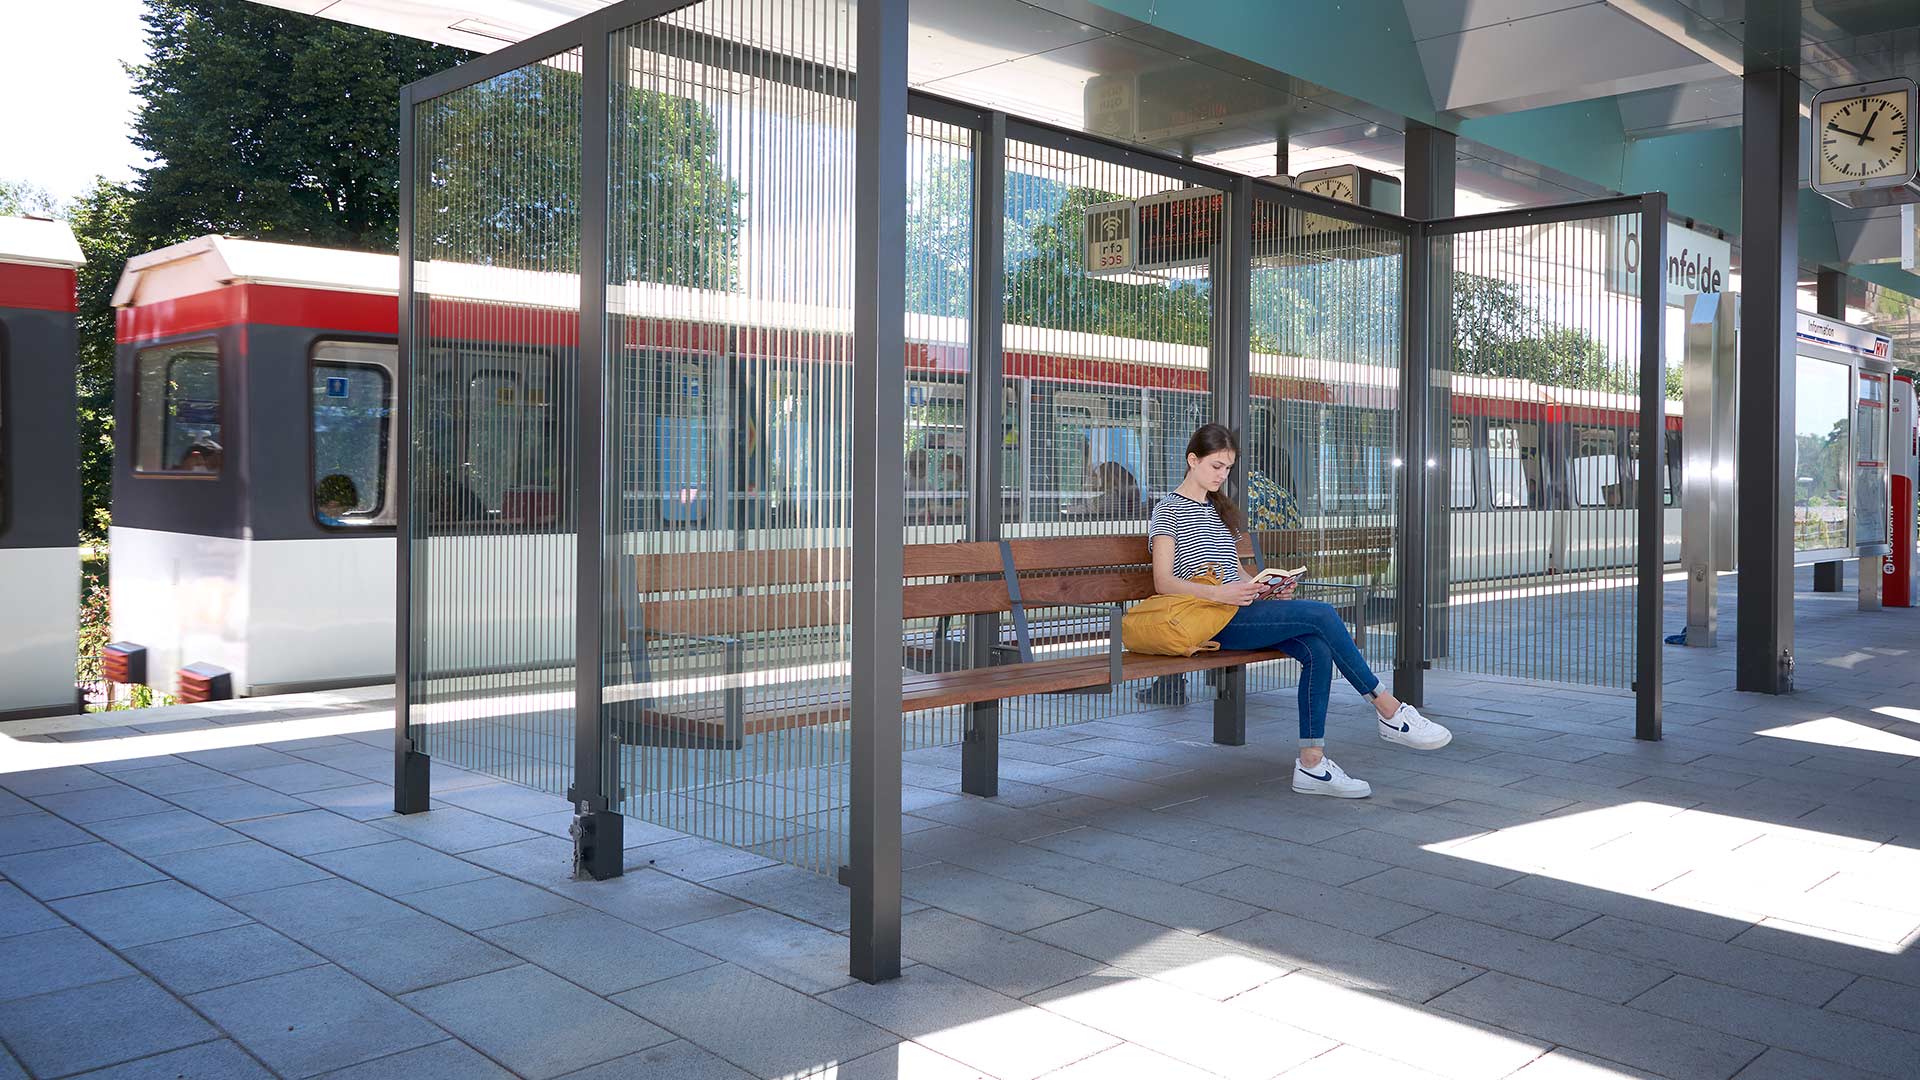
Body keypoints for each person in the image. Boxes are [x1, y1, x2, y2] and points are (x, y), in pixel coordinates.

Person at [1148, 423, 1450, 798]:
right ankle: (1388, 709)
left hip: (1238, 610)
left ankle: (1312, 763)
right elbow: (1164, 582)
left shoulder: (1217, 510)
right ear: (1192, 460)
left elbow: (1236, 571)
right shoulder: (1168, 510)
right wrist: (1225, 595)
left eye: (1227, 468)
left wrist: (1265, 587)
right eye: (1215, 466)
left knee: (1316, 648)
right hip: (1207, 620)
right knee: (1322, 615)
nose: (1222, 475)